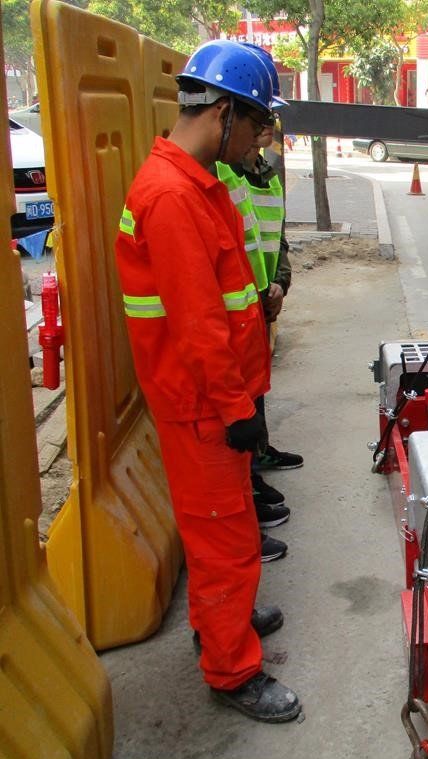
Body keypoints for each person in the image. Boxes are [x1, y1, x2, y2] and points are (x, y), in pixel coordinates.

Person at [114, 39, 301, 722]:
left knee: (220, 528)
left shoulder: (197, 184)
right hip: (202, 405)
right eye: (257, 125)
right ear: (223, 112)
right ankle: (232, 670)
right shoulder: (172, 197)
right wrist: (234, 405)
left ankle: (224, 620)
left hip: (212, 398)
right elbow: (198, 325)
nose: (260, 141)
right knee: (223, 533)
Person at [215, 44, 303, 537]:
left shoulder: (266, 175)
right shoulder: (220, 173)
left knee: (257, 391)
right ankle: (246, 487)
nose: (268, 129)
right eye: (261, 119)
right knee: (238, 410)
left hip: (257, 305)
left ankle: (257, 464)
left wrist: (279, 285)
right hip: (233, 311)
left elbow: (275, 238)